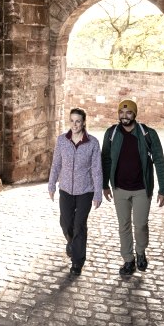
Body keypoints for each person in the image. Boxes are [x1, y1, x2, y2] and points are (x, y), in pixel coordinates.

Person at [101, 99, 164, 276]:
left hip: (141, 189)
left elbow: (159, 161)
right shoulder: (111, 134)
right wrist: (104, 185)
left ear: (135, 114)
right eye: (121, 113)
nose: (124, 116)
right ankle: (128, 260)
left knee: (140, 225)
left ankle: (140, 251)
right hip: (119, 189)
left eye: (128, 113)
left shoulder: (148, 134)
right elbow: (105, 160)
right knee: (123, 225)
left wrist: (163, 190)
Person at [48, 107, 103, 276]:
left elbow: (96, 169)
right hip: (65, 189)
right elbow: (56, 164)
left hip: (85, 191)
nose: (74, 124)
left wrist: (98, 193)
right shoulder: (62, 141)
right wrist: (51, 185)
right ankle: (71, 242)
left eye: (78, 121)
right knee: (65, 223)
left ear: (84, 122)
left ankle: (77, 262)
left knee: (79, 225)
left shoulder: (92, 143)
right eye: (72, 120)